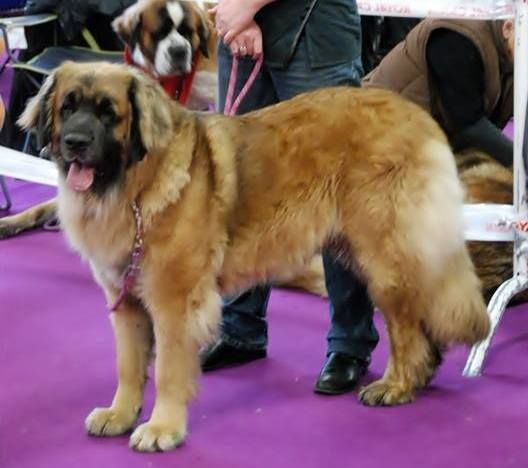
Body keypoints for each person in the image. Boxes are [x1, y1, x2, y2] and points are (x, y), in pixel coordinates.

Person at [201, 0, 379, 395]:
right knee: (244, 183)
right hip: (241, 27)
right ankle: (240, 327)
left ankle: (350, 342)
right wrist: (236, 15)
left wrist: (247, 6)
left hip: (315, 31)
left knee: (336, 192)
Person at [363, 18, 514, 167]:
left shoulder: (512, 50)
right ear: (508, 28)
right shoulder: (458, 34)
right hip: (378, 139)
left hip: (425, 147)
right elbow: (465, 124)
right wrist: (519, 160)